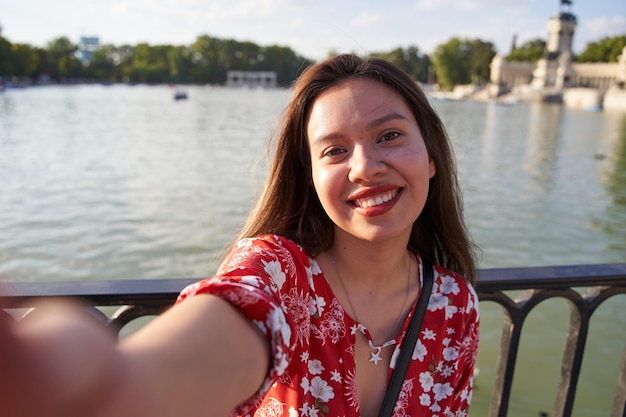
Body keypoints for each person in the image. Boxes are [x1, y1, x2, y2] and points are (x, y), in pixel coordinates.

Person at [0, 53, 479, 417]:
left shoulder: (456, 307)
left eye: (390, 136)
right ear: (309, 177)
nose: (365, 167)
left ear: (431, 156)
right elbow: (235, 316)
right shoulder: (278, 271)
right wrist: (119, 385)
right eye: (334, 151)